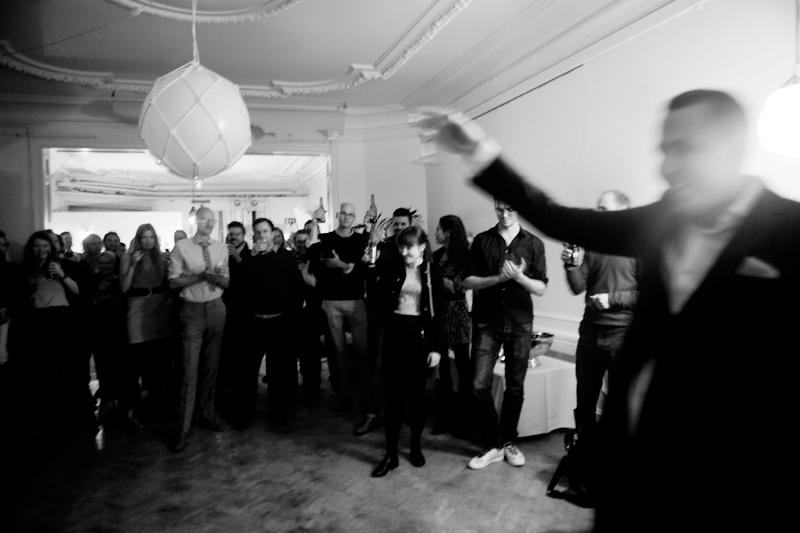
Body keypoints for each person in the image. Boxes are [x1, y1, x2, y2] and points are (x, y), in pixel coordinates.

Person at [419, 89, 800, 531]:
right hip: (632, 466)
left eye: (685, 149)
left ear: (732, 148)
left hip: (729, 477)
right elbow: (556, 216)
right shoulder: (664, 219)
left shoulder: (789, 233)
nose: (668, 167)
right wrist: (478, 151)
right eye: (664, 150)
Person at [462, 199, 547, 470]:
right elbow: (467, 281)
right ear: (495, 207)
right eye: (500, 208)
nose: (505, 214)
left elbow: (541, 287)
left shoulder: (533, 243)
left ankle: (508, 439)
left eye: (510, 208)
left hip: (520, 322)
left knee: (515, 386)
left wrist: (520, 278)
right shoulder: (483, 240)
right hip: (487, 322)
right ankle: (495, 442)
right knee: (478, 384)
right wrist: (498, 278)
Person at [371, 226, 446, 477]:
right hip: (395, 337)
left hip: (420, 340)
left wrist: (436, 348)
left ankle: (415, 446)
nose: (404, 252)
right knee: (393, 399)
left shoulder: (433, 272)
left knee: (416, 400)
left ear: (422, 247)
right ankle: (390, 454)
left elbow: (439, 314)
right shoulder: (392, 267)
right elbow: (379, 302)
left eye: (409, 247)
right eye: (401, 247)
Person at [561, 191, 638, 431]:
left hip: (621, 336)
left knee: (620, 405)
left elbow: (648, 294)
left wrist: (612, 299)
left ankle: (614, 453)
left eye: (604, 209)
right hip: (590, 333)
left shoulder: (640, 246)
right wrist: (570, 265)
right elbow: (577, 287)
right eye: (598, 209)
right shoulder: (594, 244)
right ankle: (582, 448)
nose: (598, 214)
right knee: (584, 402)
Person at [8, 231, 96, 435]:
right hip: (38, 321)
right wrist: (30, 288)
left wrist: (62, 275)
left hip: (64, 319)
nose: (41, 250)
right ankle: (50, 420)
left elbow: (79, 291)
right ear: (31, 248)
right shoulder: (23, 269)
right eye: (37, 246)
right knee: (45, 370)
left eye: (45, 246)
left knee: (70, 368)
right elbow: (19, 302)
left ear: (52, 247)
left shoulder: (66, 265)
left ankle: (76, 418)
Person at [168, 207, 229, 452]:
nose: (211, 223)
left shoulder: (220, 247)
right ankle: (183, 429)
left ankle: (207, 414)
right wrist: (199, 276)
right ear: (196, 221)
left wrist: (216, 278)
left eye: (213, 220)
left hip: (216, 308)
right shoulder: (182, 247)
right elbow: (173, 282)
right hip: (191, 310)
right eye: (206, 219)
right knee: (188, 370)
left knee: (211, 367)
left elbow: (226, 282)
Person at [233, 221, 302, 428]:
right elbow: (241, 283)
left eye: (265, 231)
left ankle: (277, 413)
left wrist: (291, 316)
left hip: (279, 322)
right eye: (258, 232)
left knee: (277, 373)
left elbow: (296, 288)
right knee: (247, 372)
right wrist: (252, 257)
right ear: (254, 236)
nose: (262, 235)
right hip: (254, 322)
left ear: (272, 234)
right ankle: (244, 415)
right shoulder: (249, 256)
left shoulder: (286, 256)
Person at [308, 204, 371, 425]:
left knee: (362, 352)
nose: (346, 217)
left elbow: (365, 269)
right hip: (331, 302)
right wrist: (314, 222)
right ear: (337, 215)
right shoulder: (326, 238)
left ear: (354, 218)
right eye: (343, 213)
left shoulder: (361, 240)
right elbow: (312, 253)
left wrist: (340, 264)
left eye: (350, 214)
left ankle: (364, 401)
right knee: (338, 353)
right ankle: (345, 400)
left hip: (356, 301)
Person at [120, 224, 174, 428]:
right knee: (137, 357)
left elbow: (169, 284)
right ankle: (135, 404)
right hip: (137, 306)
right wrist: (133, 264)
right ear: (138, 239)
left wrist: (168, 300)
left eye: (151, 237)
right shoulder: (128, 257)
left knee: (159, 360)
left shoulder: (161, 258)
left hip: (159, 307)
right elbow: (124, 287)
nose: (148, 241)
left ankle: (156, 404)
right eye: (144, 237)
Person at [431, 215, 473, 436]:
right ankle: (445, 417)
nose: (435, 233)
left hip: (457, 313)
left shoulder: (465, 256)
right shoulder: (437, 255)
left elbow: (457, 286)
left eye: (438, 229)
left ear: (447, 232)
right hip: (439, 314)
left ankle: (466, 420)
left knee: (464, 370)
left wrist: (437, 279)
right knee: (442, 369)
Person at [88, 251, 126, 424]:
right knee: (102, 366)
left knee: (118, 366)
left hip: (117, 329)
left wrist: (110, 298)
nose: (104, 266)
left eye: (108, 263)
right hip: (99, 329)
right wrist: (97, 294)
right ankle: (107, 401)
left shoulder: (120, 280)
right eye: (101, 263)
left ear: (114, 264)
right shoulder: (93, 280)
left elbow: (125, 303)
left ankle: (119, 405)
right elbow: (88, 302)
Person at [219, 221, 249, 399]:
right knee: (226, 346)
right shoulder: (222, 252)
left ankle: (241, 384)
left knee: (242, 348)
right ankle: (226, 382)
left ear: (243, 235)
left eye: (237, 234)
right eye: (231, 234)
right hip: (225, 305)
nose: (233, 237)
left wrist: (238, 258)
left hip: (243, 308)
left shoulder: (250, 253)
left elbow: (251, 276)